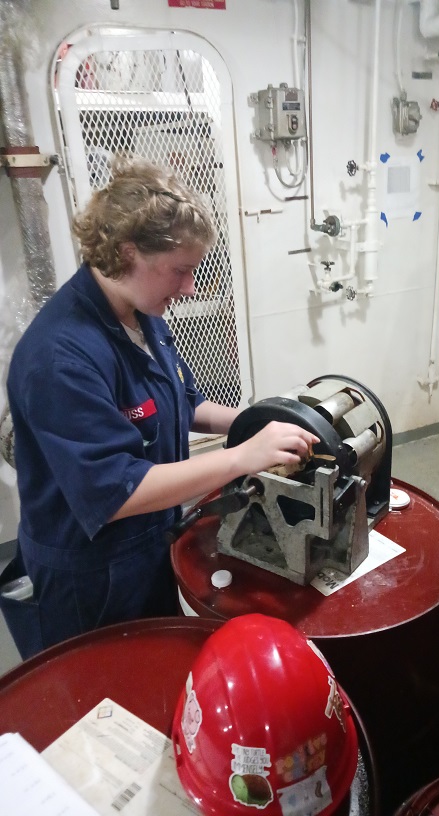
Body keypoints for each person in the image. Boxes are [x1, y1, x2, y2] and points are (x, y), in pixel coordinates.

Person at [2, 156, 318, 659]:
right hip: (91, 575)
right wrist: (243, 457)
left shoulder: (140, 315)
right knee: (103, 695)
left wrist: (260, 423)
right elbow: (116, 491)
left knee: (156, 663)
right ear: (129, 253)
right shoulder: (59, 358)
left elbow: (182, 402)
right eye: (181, 271)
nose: (190, 287)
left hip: (148, 543)